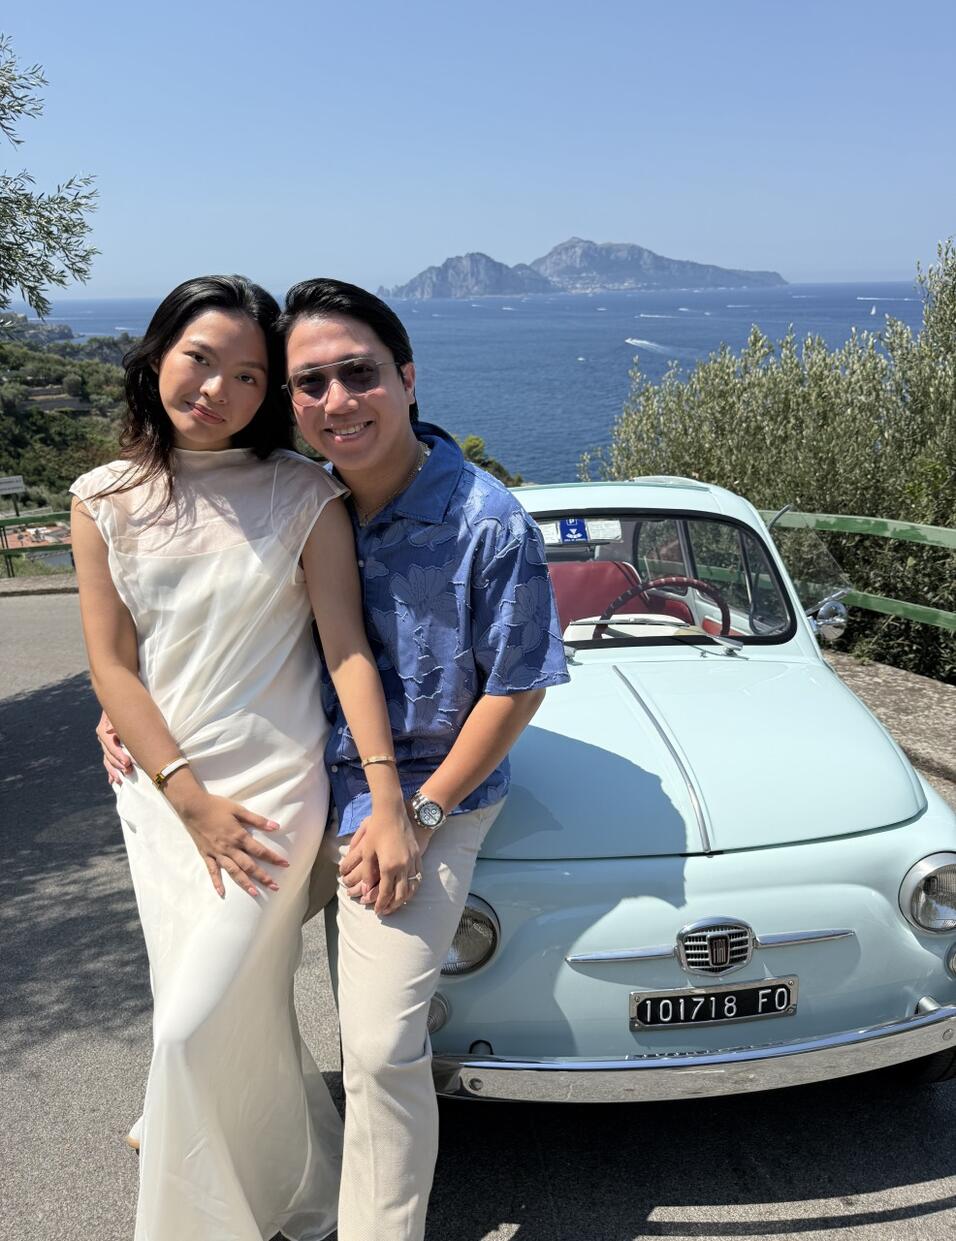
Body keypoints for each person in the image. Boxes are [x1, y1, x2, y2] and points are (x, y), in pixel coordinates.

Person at [100, 277, 570, 1241]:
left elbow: (517, 684)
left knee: (381, 1045)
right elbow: (190, 624)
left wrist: (420, 810)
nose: (335, 400)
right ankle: (214, 1128)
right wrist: (131, 713)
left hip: (423, 793)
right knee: (211, 981)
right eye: (308, 383)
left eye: (357, 374)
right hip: (297, 777)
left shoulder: (487, 521)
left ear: (406, 377)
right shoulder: (298, 493)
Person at [73, 275, 419, 1241]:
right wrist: (182, 794)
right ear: (156, 358)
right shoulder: (103, 500)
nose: (218, 388)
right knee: (222, 1012)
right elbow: (113, 664)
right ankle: (276, 1180)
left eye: (248, 375)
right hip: (162, 795)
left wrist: (385, 792)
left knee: (189, 1026)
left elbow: (346, 648)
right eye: (200, 360)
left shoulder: (303, 492)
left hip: (272, 792)